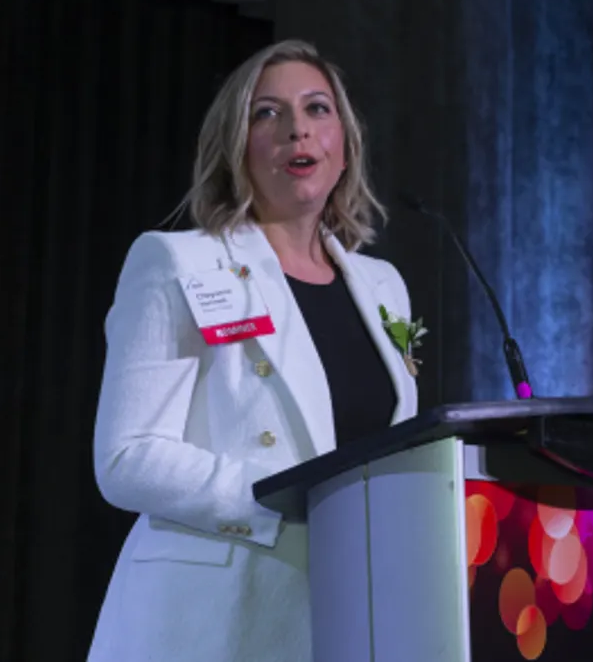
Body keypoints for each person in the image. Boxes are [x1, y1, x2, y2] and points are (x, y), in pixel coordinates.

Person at [87, 40, 418, 661]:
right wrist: (286, 491)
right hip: (211, 618)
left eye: (318, 109)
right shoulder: (175, 262)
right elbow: (126, 457)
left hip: (348, 608)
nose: (298, 129)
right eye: (267, 113)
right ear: (236, 147)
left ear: (344, 144)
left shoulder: (384, 287)